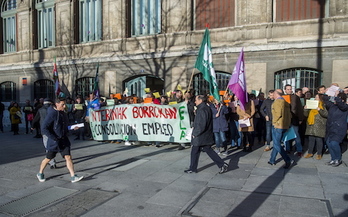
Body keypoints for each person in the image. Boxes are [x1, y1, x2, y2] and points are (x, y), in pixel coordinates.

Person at [37, 98, 83, 183]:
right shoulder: (52, 114)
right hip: (54, 141)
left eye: (65, 104)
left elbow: (65, 126)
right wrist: (53, 137)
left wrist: (72, 128)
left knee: (68, 157)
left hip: (63, 139)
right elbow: (44, 128)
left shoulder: (63, 113)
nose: (64, 106)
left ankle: (73, 176)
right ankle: (40, 173)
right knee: (48, 158)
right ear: (57, 104)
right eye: (63, 105)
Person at [185, 95, 228, 174]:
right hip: (204, 135)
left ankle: (193, 168)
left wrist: (195, 133)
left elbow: (202, 124)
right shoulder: (204, 108)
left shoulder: (202, 109)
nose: (195, 102)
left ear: (200, 100)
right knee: (205, 150)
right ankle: (222, 164)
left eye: (196, 100)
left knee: (195, 151)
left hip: (201, 135)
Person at [268, 89, 293, 169]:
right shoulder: (285, 102)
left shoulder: (277, 102)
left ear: (276, 94)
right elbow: (289, 115)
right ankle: (272, 160)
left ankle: (287, 159)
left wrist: (274, 122)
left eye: (274, 93)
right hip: (284, 125)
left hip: (278, 125)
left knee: (276, 144)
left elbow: (278, 114)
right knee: (277, 143)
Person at [322, 91, 348, 167]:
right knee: (328, 143)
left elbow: (341, 104)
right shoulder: (332, 106)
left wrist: (337, 97)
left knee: (334, 143)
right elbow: (325, 99)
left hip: (339, 128)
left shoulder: (345, 107)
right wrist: (328, 95)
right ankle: (333, 159)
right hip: (330, 127)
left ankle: (338, 159)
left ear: (343, 100)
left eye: (339, 99)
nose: (336, 100)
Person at [32, 98, 56, 168]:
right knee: (52, 145)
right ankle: (51, 160)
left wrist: (33, 126)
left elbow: (35, 119)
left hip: (44, 130)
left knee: (47, 146)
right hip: (53, 130)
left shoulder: (40, 110)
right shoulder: (53, 110)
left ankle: (52, 162)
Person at [303, 94, 327, 160]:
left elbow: (326, 114)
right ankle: (310, 152)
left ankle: (319, 153)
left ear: (320, 98)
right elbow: (306, 115)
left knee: (319, 139)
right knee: (311, 139)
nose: (315, 98)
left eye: (316, 97)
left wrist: (320, 110)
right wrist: (305, 109)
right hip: (311, 124)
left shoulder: (324, 105)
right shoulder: (312, 105)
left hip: (319, 125)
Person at [284, 84, 304, 156]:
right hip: (286, 120)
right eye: (288, 89)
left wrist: (301, 118)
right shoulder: (283, 97)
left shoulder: (295, 97)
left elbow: (299, 108)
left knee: (296, 135)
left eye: (290, 89)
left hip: (294, 119)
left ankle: (299, 149)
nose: (289, 90)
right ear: (285, 90)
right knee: (286, 135)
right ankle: (288, 149)